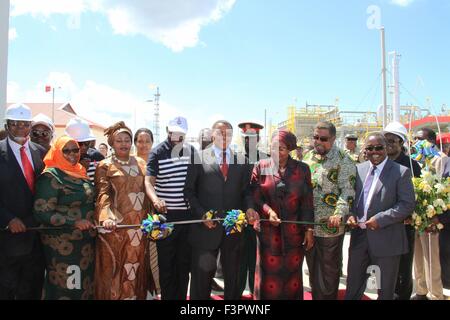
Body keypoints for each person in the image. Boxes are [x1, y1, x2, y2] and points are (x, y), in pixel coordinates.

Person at [184, 120, 258, 300]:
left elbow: (246, 191)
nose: (224, 136)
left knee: (233, 279)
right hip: (205, 231)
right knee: (201, 281)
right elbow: (188, 191)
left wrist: (249, 207)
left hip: (233, 231)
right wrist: (201, 214)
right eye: (220, 132)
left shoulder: (242, 160)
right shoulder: (198, 158)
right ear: (212, 135)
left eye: (229, 133)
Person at [345, 133, 415, 300]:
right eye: (370, 148)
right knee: (353, 288)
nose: (374, 152)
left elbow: (406, 205)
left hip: (387, 241)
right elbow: (351, 199)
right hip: (359, 239)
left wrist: (381, 219)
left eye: (378, 148)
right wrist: (350, 215)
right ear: (364, 150)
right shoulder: (359, 169)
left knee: (385, 292)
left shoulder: (401, 172)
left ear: (386, 148)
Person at [250, 130, 314, 299]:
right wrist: (268, 211)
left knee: (292, 277)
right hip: (267, 234)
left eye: (282, 148)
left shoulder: (302, 169)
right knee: (267, 278)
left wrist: (308, 230)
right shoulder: (261, 166)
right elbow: (255, 197)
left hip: (293, 233)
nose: (276, 152)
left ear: (291, 149)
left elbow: (307, 202)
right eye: (273, 147)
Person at [94, 121, 154, 300]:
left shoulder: (142, 163)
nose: (123, 144)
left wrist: (154, 217)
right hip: (116, 228)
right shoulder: (105, 166)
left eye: (127, 140)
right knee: (115, 271)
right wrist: (106, 218)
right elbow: (102, 195)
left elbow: (148, 190)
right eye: (119, 140)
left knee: (136, 268)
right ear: (112, 143)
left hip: (139, 228)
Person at [33, 136, 96, 299]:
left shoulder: (80, 171)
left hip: (85, 244)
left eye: (75, 149)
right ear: (56, 152)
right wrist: (74, 222)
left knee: (83, 286)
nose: (72, 154)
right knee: (66, 287)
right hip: (62, 246)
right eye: (65, 151)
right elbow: (42, 212)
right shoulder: (50, 177)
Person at [303, 121, 356, 300]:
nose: (318, 141)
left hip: (330, 227)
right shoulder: (307, 157)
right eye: (315, 137)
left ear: (333, 139)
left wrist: (338, 214)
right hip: (309, 225)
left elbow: (348, 190)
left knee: (329, 271)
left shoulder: (343, 159)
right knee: (312, 268)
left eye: (323, 139)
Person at [145, 117, 195, 300]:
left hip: (187, 218)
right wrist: (156, 199)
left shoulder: (191, 151)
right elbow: (148, 182)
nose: (177, 137)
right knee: (166, 265)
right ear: (168, 130)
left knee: (183, 265)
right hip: (165, 218)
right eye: (174, 133)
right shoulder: (157, 152)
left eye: (181, 134)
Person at [0, 103, 46, 299]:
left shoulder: (42, 152)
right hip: (8, 239)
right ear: (7, 125)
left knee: (32, 289)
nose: (20, 128)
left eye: (25, 124)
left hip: (38, 237)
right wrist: (8, 219)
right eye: (15, 123)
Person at [383, 122, 421, 300]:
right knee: (383, 267)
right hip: (382, 223)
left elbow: (418, 194)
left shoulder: (412, 166)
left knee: (404, 267)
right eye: (386, 140)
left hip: (404, 224)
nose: (388, 144)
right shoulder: (378, 162)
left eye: (392, 140)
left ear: (401, 142)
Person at [411, 127, 446, 300]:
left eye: (420, 139)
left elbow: (444, 189)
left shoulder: (441, 160)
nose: (416, 142)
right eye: (414, 139)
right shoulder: (420, 160)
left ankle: (436, 294)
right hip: (418, 216)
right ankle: (421, 290)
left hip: (433, 217)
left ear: (431, 141)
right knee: (418, 256)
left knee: (431, 258)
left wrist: (437, 214)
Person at [237, 120, 269, 297]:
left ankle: (256, 291)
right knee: (241, 258)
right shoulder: (235, 157)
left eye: (253, 137)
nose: (249, 140)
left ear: (257, 138)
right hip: (238, 216)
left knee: (258, 258)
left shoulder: (266, 159)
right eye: (246, 137)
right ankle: (239, 291)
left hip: (260, 215)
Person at [65, 118, 104, 184]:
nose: (83, 147)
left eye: (87, 143)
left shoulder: (97, 157)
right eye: (79, 143)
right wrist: (79, 170)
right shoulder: (62, 159)